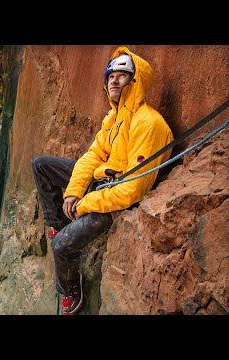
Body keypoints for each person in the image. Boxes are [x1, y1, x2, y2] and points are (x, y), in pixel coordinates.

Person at [31, 47, 174, 315]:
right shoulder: (113, 118)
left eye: (122, 75)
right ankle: (57, 222)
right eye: (111, 76)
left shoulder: (149, 123)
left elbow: (133, 190)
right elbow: (93, 155)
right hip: (102, 185)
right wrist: (73, 191)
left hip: (115, 204)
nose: (114, 80)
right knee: (41, 165)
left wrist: (84, 204)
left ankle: (71, 287)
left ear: (136, 81)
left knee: (61, 245)